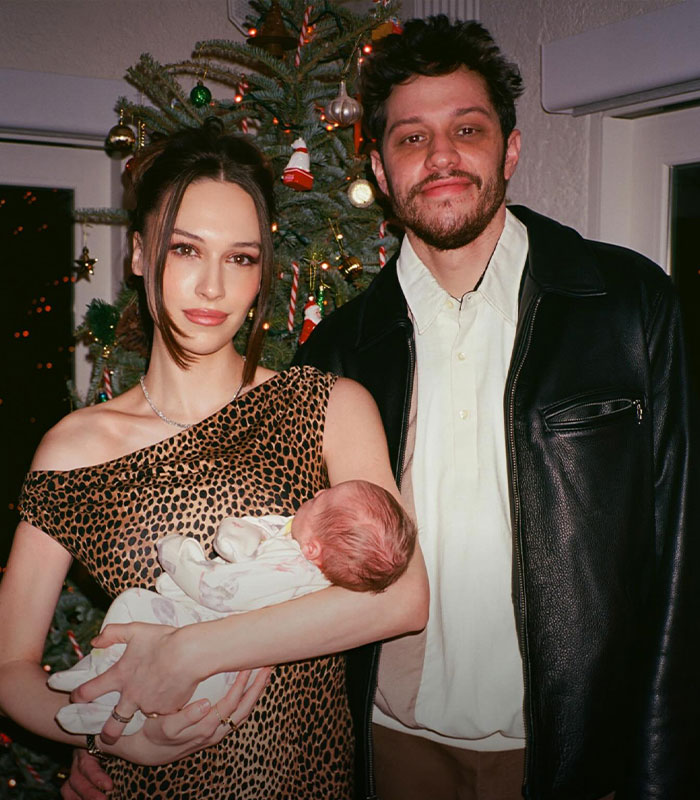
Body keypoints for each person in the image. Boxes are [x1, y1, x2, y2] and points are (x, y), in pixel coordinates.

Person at [292, 15, 698, 800]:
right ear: (379, 167)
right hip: (389, 752)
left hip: (574, 755)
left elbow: (681, 549)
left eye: (467, 129)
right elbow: (289, 572)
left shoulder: (629, 306)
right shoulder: (338, 352)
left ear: (509, 148)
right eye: (411, 138)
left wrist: (658, 770)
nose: (441, 156)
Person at [0, 119, 428, 800]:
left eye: (241, 258)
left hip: (303, 782)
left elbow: (402, 598)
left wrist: (190, 652)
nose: (212, 287)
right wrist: (110, 737)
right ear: (140, 254)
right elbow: (11, 668)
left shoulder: (328, 405)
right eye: (185, 250)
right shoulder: (74, 446)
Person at [48, 479, 417, 737]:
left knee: (131, 603)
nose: (317, 492)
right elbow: (253, 551)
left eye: (322, 500)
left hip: (210, 664)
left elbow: (217, 590)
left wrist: (180, 554)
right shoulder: (310, 567)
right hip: (215, 662)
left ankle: (98, 690)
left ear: (313, 550)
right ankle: (94, 678)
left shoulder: (289, 568)